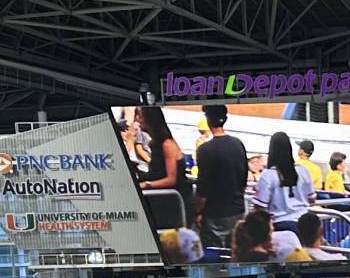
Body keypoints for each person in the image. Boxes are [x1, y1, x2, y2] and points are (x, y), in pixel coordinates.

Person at [191, 103, 250, 251]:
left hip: (215, 214)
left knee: (214, 255)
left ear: (208, 120)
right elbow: (243, 179)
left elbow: (203, 187)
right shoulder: (238, 144)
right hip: (237, 210)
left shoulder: (204, 150)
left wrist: (198, 212)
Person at [132, 104, 188, 232]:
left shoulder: (167, 144)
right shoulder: (154, 143)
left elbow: (171, 179)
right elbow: (156, 173)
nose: (138, 120)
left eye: (141, 117)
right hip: (161, 201)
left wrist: (146, 184)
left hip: (173, 204)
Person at [253, 131, 313, 233]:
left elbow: (260, 206)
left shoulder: (268, 175)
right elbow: (312, 198)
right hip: (304, 224)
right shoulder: (302, 170)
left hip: (280, 225)